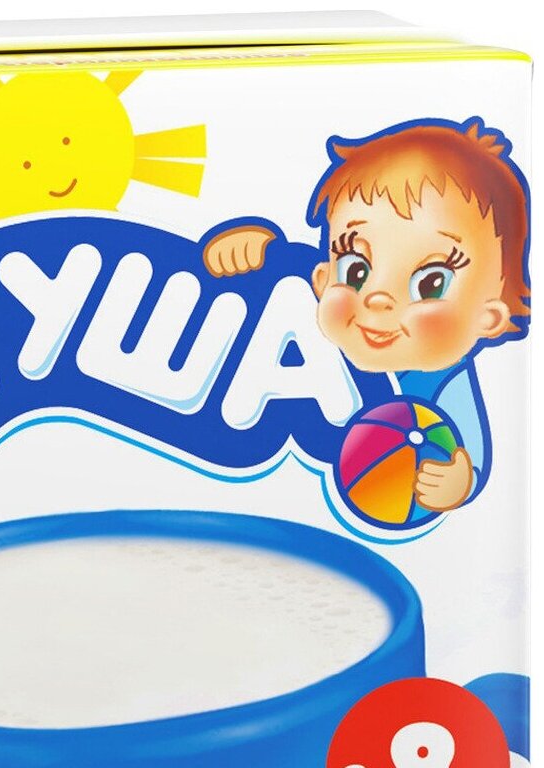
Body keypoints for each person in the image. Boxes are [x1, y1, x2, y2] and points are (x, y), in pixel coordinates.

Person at [204, 120, 530, 511]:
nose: (377, 299)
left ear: (488, 319)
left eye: (430, 284)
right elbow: (279, 265)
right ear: (323, 279)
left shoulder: (445, 385)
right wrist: (251, 249)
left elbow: (468, 456)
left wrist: (458, 482)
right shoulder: (295, 307)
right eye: (356, 269)